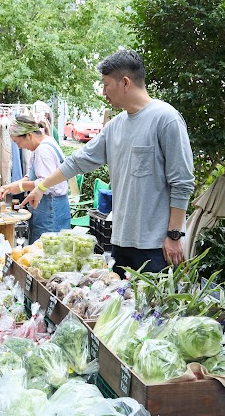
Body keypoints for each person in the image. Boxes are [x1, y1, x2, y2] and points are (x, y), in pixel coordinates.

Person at [22, 49, 194, 272]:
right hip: (120, 242)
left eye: (105, 84)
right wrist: (41, 187)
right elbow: (77, 161)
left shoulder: (166, 119)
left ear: (125, 83)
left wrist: (174, 235)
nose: (103, 91)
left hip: (156, 246)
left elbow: (182, 183)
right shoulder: (115, 126)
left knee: (152, 297)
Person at [0, 115, 70, 243]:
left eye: (18, 142)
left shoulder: (43, 150)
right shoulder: (46, 143)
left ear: (29, 135)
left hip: (50, 208)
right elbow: (32, 175)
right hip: (53, 207)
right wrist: (12, 186)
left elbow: (47, 184)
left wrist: (21, 186)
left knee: (46, 249)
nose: (19, 147)